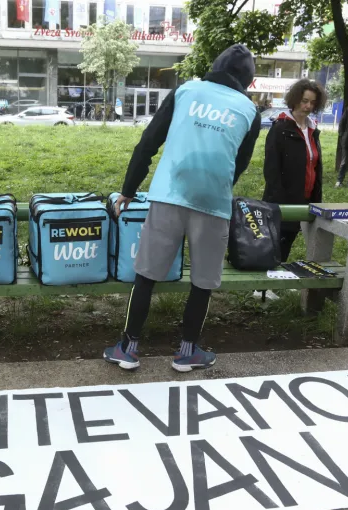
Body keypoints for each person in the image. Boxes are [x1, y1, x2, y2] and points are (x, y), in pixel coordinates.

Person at [103, 44, 261, 373]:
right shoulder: (249, 111)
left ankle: (128, 348)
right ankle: (187, 352)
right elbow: (239, 164)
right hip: (214, 203)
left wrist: (129, 189)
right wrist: (216, 188)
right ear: (248, 79)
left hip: (169, 194)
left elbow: (149, 141)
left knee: (146, 274)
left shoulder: (186, 91)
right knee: (203, 282)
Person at [263, 78, 327, 262]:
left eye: (313, 102)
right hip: (282, 200)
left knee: (287, 243)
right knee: (276, 243)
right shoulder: (280, 128)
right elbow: (271, 170)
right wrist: (279, 202)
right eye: (304, 101)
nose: (308, 106)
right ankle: (263, 288)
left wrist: (316, 198)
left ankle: (270, 283)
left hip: (306, 197)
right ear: (295, 99)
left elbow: (315, 165)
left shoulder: (313, 130)